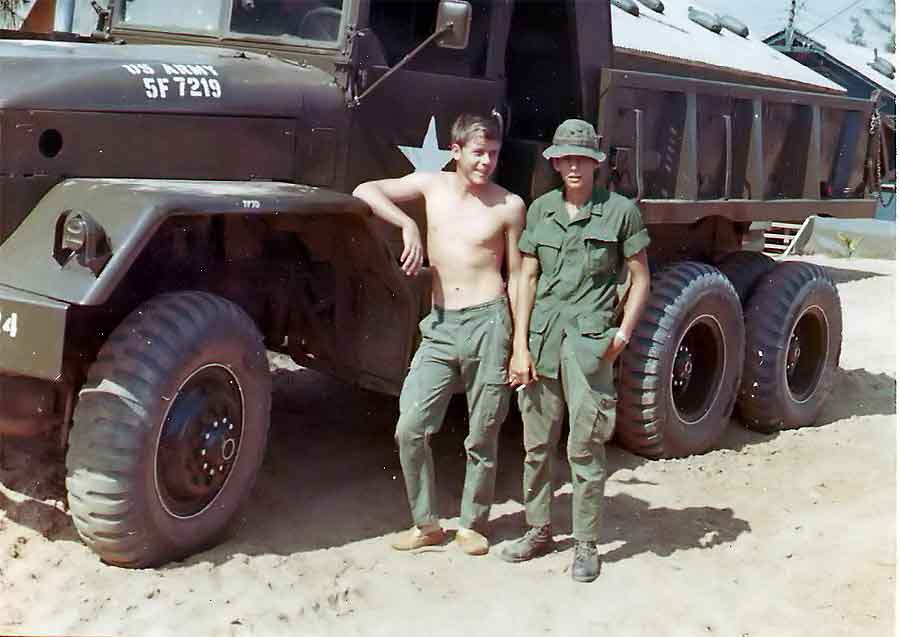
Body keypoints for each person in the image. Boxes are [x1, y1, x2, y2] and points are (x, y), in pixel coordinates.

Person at [352, 114, 525, 556]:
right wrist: (407, 224)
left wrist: (520, 344)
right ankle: (426, 524)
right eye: (478, 152)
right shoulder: (431, 185)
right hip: (441, 326)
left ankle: (472, 524)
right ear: (456, 150)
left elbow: (520, 277)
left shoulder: (509, 205)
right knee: (410, 427)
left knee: (483, 433)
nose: (486, 162)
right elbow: (365, 191)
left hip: (489, 323)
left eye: (493, 154)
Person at [500, 119, 651, 582]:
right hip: (542, 341)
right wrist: (519, 346)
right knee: (536, 445)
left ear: (595, 164)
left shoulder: (620, 212)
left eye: (582, 159)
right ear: (554, 162)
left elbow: (640, 278)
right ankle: (538, 529)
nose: (573, 167)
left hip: (590, 345)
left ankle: (585, 543)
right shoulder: (541, 210)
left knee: (585, 446)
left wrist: (622, 335)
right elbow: (526, 277)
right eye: (565, 158)